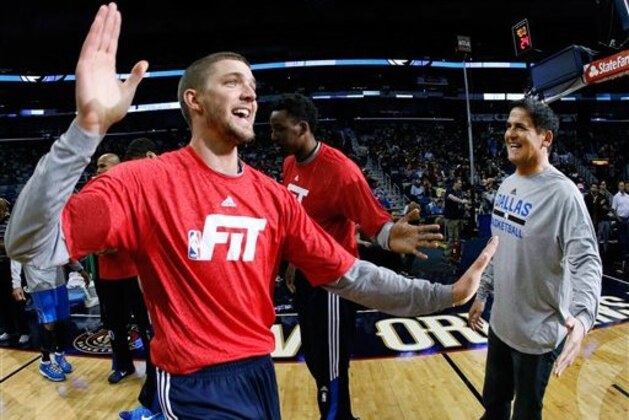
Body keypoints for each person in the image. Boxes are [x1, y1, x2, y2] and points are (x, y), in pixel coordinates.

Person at [6, 4, 498, 418]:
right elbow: (27, 244)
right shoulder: (141, 182)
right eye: (233, 82)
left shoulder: (273, 198)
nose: (250, 93)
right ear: (193, 100)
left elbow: (350, 275)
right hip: (191, 385)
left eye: (252, 87)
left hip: (259, 376)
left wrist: (445, 293)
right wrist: (85, 129)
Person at [270, 93, 441, 419]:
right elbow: (301, 220)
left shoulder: (342, 173)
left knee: (332, 362)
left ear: (302, 127)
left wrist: (391, 236)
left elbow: (375, 223)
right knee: (316, 357)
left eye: (279, 129)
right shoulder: (289, 163)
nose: (272, 136)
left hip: (335, 282)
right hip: (306, 276)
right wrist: (294, 259)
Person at [468, 97, 602, 420]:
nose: (509, 134)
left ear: (546, 137)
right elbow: (497, 244)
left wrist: (583, 321)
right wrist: (483, 294)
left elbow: (587, 262)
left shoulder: (564, 195)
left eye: (520, 127)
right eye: (508, 126)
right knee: (494, 405)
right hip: (500, 326)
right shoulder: (506, 185)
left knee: (525, 415)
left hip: (537, 338)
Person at [92, 151, 153, 386]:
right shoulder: (96, 197)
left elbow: (139, 230)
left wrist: (113, 244)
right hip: (107, 275)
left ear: (118, 168)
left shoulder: (132, 195)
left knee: (144, 323)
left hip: (133, 273)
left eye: (102, 166)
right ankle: (122, 365)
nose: (98, 171)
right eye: (97, 167)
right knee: (115, 324)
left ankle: (153, 366)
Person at [11, 259, 91, 382]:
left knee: (62, 320)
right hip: (38, 283)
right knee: (48, 322)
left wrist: (80, 269)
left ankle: (59, 354)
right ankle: (45, 362)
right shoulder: (25, 239)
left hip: (58, 281)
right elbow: (15, 256)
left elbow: (64, 251)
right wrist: (16, 284)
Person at [0, 197, 30, 345]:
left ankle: (24, 331)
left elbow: (13, 246)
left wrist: (3, 245)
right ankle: (9, 329)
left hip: (11, 265)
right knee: (3, 301)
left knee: (17, 301)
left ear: (5, 210)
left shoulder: (12, 225)